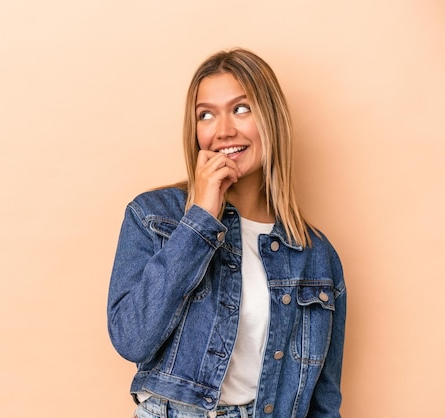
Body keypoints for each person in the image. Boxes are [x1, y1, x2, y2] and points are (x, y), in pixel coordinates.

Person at [107, 48, 346, 418]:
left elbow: (323, 401)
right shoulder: (155, 216)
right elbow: (131, 339)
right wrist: (200, 219)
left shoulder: (315, 255)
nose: (223, 131)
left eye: (241, 109)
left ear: (271, 119)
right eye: (206, 115)